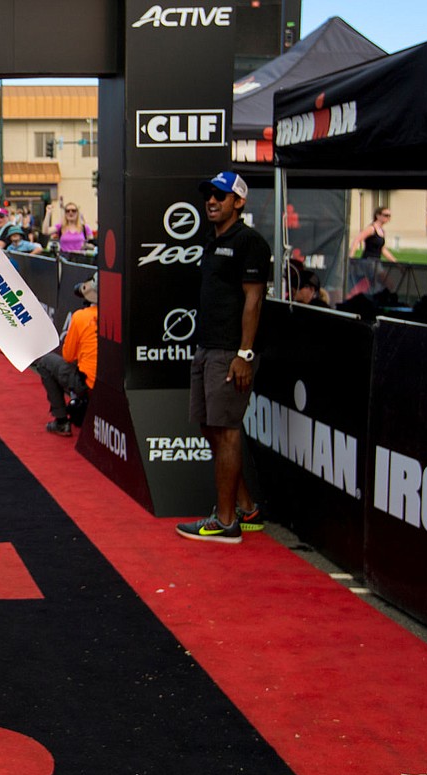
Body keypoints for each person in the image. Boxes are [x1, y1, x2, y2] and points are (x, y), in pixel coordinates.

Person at [176, 172, 270, 545]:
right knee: (210, 426)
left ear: (239, 202)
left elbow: (254, 300)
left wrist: (244, 354)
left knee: (227, 430)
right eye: (209, 196)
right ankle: (246, 508)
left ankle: (227, 522)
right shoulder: (212, 242)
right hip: (207, 346)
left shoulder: (250, 242)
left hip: (232, 352)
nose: (212, 201)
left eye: (221, 195)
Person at [33, 276, 98, 436]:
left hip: (89, 383)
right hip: (116, 383)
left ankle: (61, 421)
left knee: (46, 362)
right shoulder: (121, 316)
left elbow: (68, 356)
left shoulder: (81, 317)